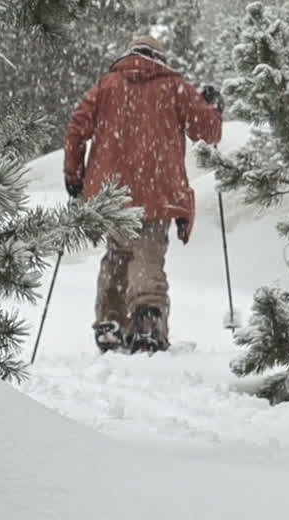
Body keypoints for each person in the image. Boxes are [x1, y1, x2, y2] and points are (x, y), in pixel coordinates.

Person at [63, 34, 223, 353]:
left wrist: (74, 174)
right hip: (157, 192)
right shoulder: (173, 86)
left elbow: (76, 128)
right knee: (147, 256)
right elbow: (207, 133)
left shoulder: (106, 86)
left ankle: (110, 322)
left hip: (112, 194)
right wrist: (213, 107)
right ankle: (147, 322)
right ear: (159, 58)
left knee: (117, 256)